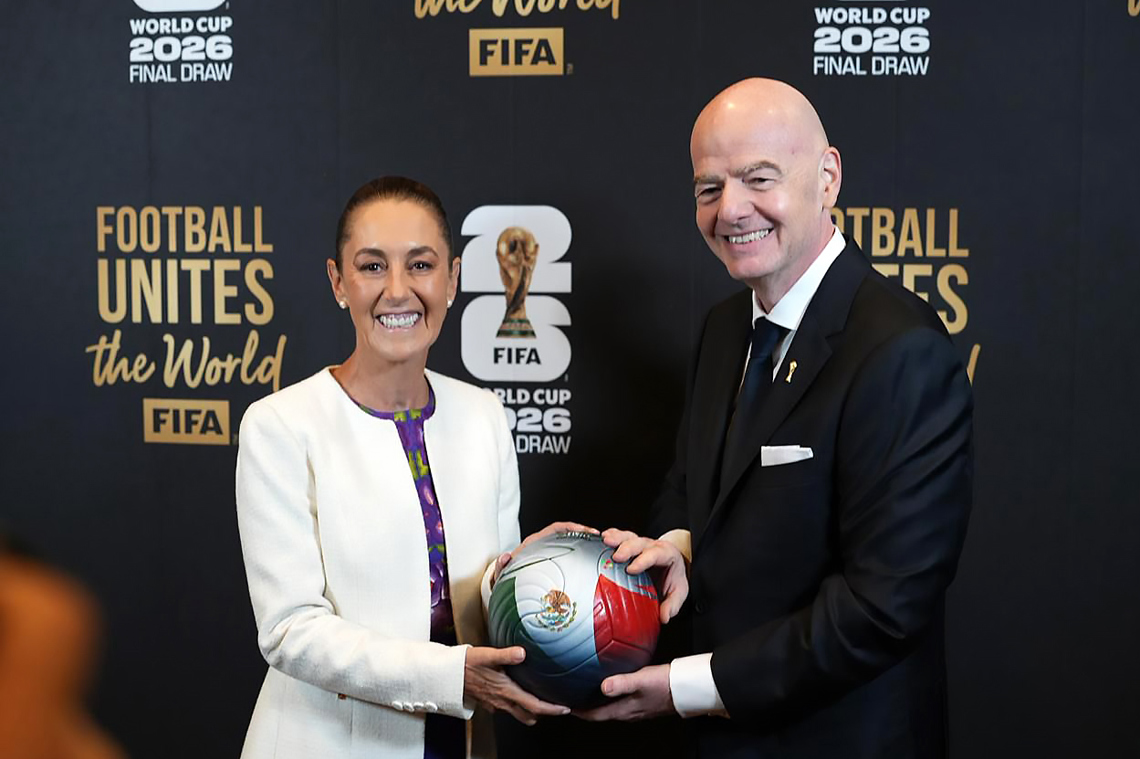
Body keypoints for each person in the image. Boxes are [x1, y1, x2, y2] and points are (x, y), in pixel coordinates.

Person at [579, 79, 974, 759]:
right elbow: (692, 485)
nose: (731, 209)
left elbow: (883, 608)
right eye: (709, 188)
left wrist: (685, 686)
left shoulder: (901, 350)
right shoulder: (724, 328)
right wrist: (678, 547)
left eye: (759, 178)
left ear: (827, 178)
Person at [235, 177, 571, 759]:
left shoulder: (484, 415)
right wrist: (450, 676)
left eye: (420, 265)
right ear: (338, 283)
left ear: (453, 280)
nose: (397, 290)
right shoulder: (280, 426)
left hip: (463, 741)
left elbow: (492, 596)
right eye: (372, 266)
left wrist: (545, 570)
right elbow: (290, 630)